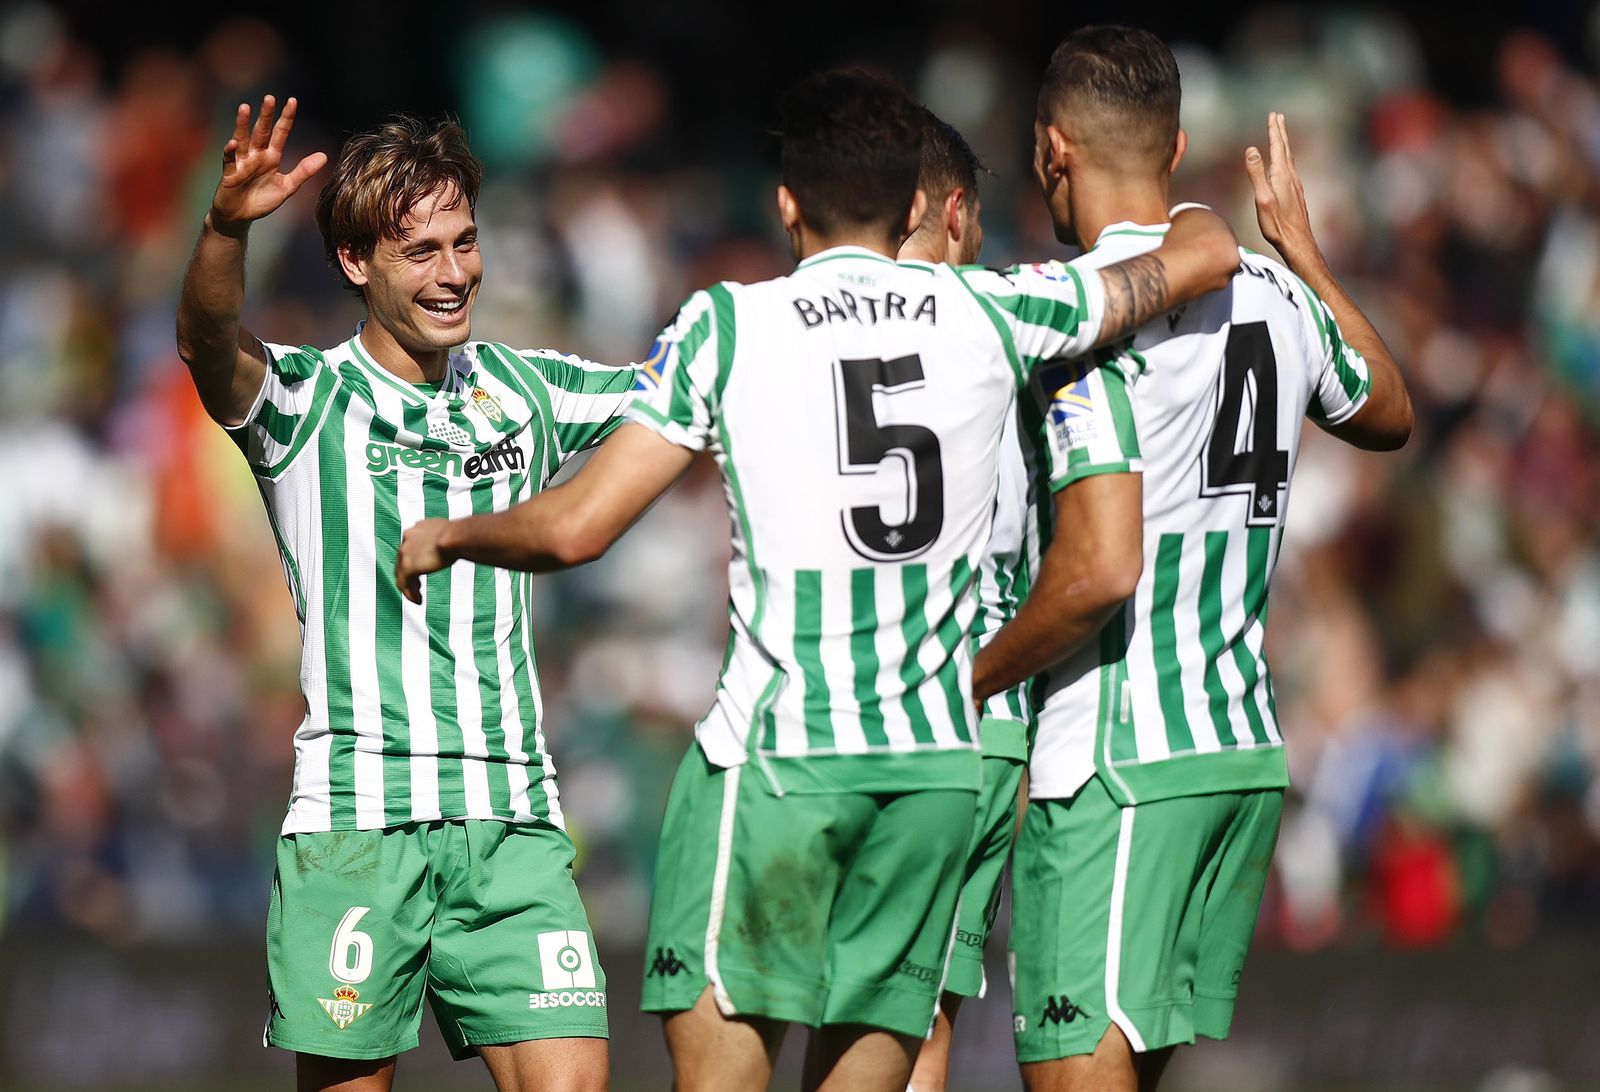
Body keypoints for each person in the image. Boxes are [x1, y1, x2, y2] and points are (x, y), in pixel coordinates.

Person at [394, 69, 1240, 1092]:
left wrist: (452, 535)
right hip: (931, 774)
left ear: (788, 205)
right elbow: (1199, 256)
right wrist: (1204, 215)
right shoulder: (994, 309)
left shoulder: (731, 324)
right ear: (913, 203)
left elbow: (578, 529)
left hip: (778, 763)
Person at [971, 28, 1413, 1092]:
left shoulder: (1072, 312)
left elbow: (1097, 571)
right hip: (1237, 754)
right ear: (1174, 149)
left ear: (1050, 150)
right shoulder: (1278, 292)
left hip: (1119, 757)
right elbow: (1389, 410)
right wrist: (1302, 253)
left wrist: (962, 682)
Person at [174, 98, 634, 1092]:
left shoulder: (526, 391)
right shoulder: (303, 402)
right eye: (420, 250)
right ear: (354, 261)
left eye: (464, 242)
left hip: (511, 819)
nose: (454, 272)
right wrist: (224, 230)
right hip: (356, 824)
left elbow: (675, 397)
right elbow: (207, 343)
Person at [895, 108, 1024, 1092]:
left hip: (865, 708)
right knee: (919, 1018)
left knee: (848, 1015)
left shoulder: (790, 324)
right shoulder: (1019, 316)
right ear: (950, 211)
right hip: (987, 717)